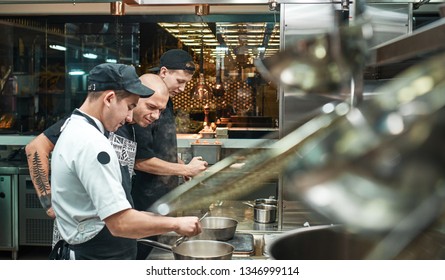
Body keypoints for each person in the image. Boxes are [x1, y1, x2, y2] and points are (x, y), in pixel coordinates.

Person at [28, 63, 201, 259]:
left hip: (107, 229)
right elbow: (35, 147)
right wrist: (49, 202)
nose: (129, 117)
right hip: (89, 239)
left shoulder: (117, 126)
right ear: (110, 99)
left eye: (161, 110)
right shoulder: (88, 134)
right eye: (136, 106)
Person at [131, 49, 209, 260]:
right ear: (163, 72)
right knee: (140, 254)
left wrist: (181, 166)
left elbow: (161, 146)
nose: (182, 88)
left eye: (186, 83)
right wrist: (184, 169)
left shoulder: (167, 100)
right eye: (180, 81)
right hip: (142, 199)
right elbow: (141, 160)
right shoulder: (144, 100)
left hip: (161, 196)